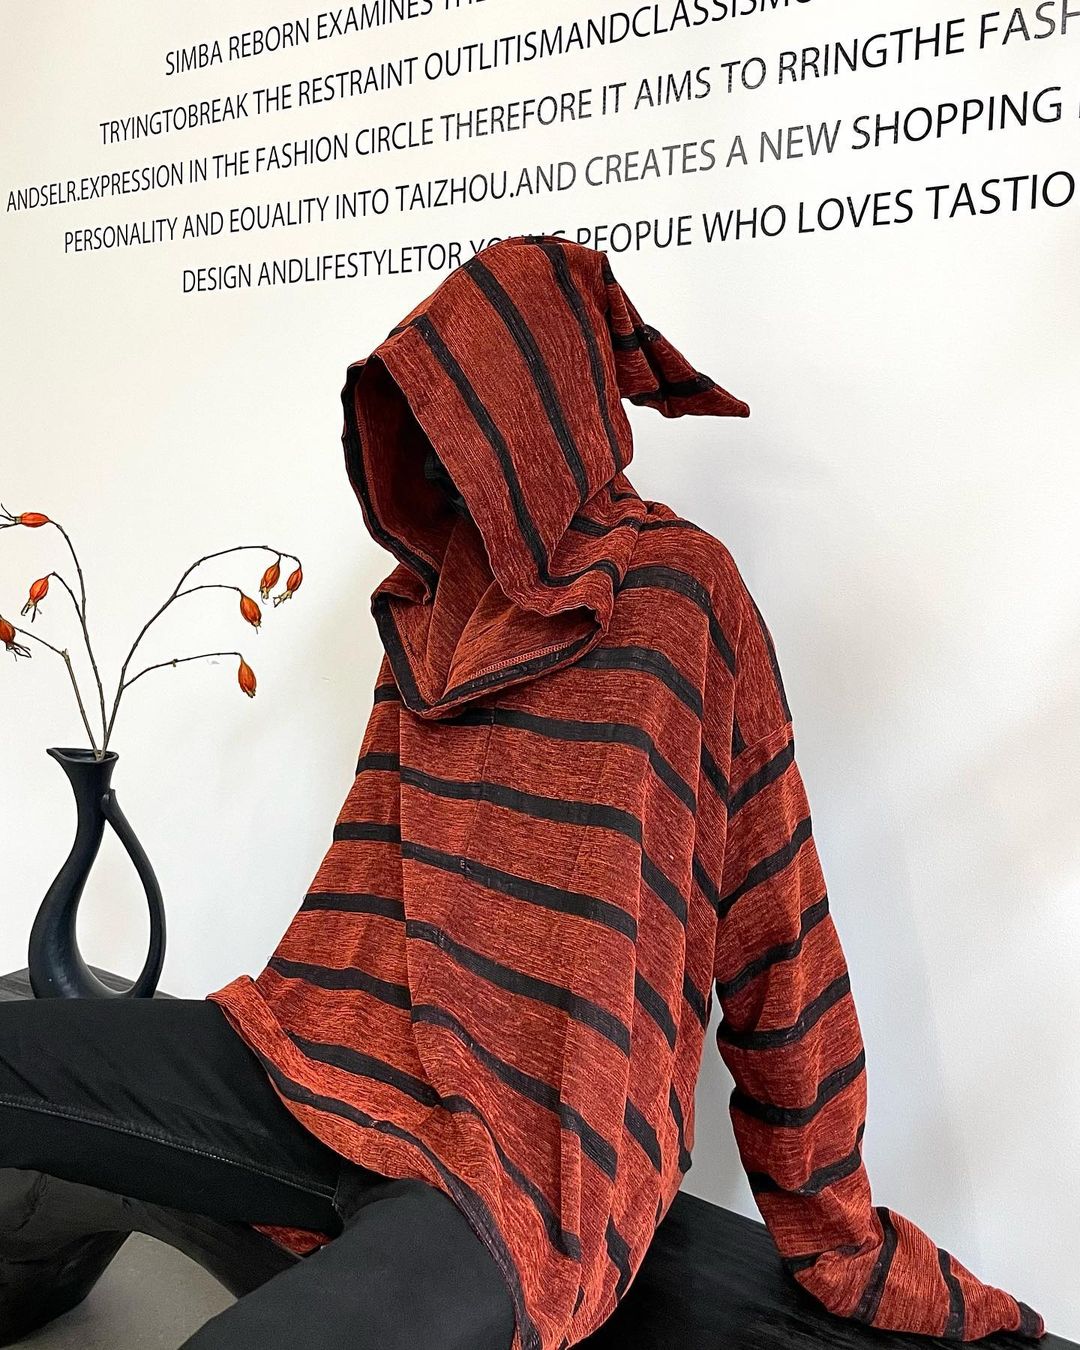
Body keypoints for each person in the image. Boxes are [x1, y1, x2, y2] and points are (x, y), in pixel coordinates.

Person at [1, 236, 1044, 1349]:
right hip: (326, 1057)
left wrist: (832, 1226)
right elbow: (369, 892)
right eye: (423, 430)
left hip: (533, 1159)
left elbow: (776, 929)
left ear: (548, 417)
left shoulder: (682, 601)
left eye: (465, 423)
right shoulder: (426, 608)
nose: (441, 465)